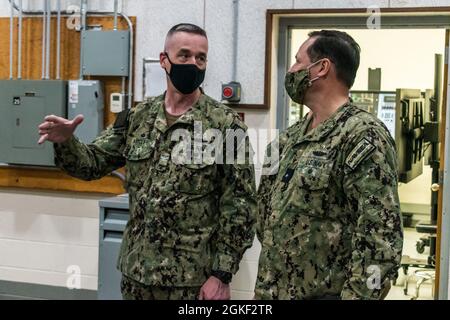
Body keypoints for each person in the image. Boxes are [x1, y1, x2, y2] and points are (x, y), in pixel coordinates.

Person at [37, 23, 256, 300]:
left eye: (201, 58)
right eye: (184, 55)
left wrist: (221, 275)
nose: (194, 64)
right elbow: (91, 164)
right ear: (164, 60)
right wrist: (66, 141)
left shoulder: (227, 126)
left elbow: (241, 206)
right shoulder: (136, 118)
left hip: (192, 280)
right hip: (136, 274)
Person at [255, 30, 403, 300]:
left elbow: (380, 240)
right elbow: (265, 219)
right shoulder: (289, 139)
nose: (291, 70)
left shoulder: (363, 135)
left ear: (321, 68)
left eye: (298, 62)